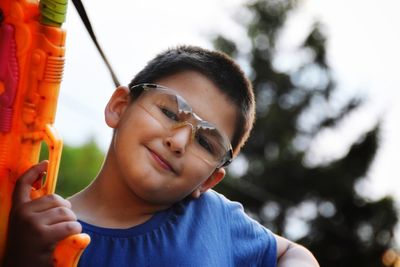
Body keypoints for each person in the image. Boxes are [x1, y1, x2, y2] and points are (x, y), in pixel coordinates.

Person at [4, 45, 319, 267]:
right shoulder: (38, 233)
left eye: (206, 143)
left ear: (209, 180)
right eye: (169, 112)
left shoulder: (215, 219)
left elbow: (292, 253)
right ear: (119, 107)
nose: (179, 141)